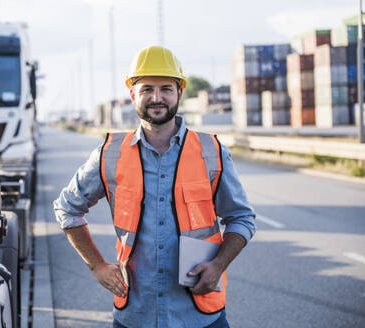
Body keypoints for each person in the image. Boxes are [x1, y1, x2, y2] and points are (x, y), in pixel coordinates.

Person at [54, 45, 256, 328]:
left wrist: (219, 265)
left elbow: (241, 218)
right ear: (132, 94)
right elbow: (67, 208)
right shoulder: (110, 153)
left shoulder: (211, 151)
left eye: (166, 88)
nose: (156, 97)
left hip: (200, 317)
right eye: (147, 88)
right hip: (135, 316)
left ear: (180, 93)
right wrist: (97, 266)